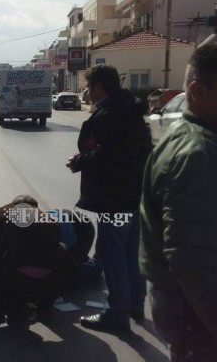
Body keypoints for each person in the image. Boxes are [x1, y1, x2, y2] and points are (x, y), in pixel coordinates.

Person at [140, 39, 217, 361]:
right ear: (198, 91)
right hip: (198, 312)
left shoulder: (209, 142)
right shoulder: (197, 155)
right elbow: (196, 257)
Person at [66, 64, 152, 332]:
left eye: (88, 87)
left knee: (111, 254)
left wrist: (79, 161)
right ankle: (135, 303)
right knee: (129, 252)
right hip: (133, 194)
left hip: (115, 198)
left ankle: (116, 313)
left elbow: (108, 157)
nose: (86, 93)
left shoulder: (110, 115)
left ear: (100, 87)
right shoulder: (131, 110)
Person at [0, 195, 74, 324]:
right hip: (50, 282)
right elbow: (61, 256)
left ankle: (12, 310)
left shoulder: (2, 213)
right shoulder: (50, 221)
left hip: (16, 281)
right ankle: (44, 307)